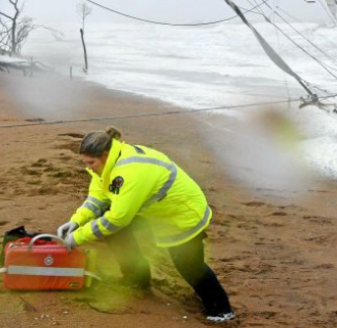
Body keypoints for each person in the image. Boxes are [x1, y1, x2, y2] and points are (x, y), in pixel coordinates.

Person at [56, 128, 235, 323]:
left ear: (105, 155)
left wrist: (77, 237)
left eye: (91, 163)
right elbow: (98, 196)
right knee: (108, 221)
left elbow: (118, 219)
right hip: (154, 212)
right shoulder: (107, 165)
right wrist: (76, 220)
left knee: (189, 265)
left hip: (182, 216)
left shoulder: (129, 171)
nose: (88, 168)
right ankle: (137, 278)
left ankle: (221, 310)